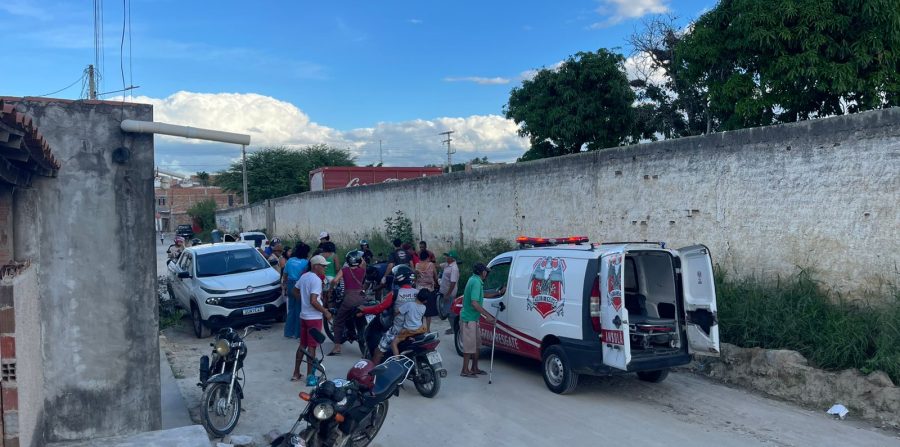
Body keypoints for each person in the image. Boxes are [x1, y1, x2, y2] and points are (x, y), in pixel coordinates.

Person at [358, 265, 418, 365]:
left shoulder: (395, 293)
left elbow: (380, 308)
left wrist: (364, 310)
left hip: (398, 329)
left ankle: (373, 377)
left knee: (378, 352)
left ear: (399, 278)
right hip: (417, 328)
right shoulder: (418, 292)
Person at [292, 255, 333, 385]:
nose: (325, 268)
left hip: (303, 316)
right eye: (323, 265)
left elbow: (294, 291)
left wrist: (302, 301)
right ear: (315, 266)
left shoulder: (304, 277)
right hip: (313, 318)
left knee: (302, 345)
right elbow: (314, 301)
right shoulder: (315, 280)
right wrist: (325, 311)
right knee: (312, 347)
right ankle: (310, 377)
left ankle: (296, 373)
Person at [460, 263, 504, 378]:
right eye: (485, 271)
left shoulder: (475, 280)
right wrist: (487, 316)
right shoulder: (475, 282)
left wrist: (498, 293)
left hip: (473, 318)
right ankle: (465, 369)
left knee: (477, 344)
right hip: (469, 319)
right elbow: (474, 303)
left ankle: (474, 368)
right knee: (469, 346)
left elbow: (481, 295)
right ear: (482, 272)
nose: (486, 273)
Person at [328, 250, 367, 356]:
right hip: (362, 298)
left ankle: (337, 347)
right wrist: (360, 258)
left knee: (338, 321)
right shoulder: (362, 270)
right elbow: (363, 262)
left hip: (349, 298)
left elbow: (335, 281)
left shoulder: (344, 270)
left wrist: (331, 289)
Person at [283, 243, 310, 338]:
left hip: (290, 284)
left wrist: (285, 285)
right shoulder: (306, 262)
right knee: (299, 310)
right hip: (299, 286)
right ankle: (298, 333)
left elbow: (285, 275)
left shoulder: (290, 260)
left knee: (291, 309)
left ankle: (288, 332)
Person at [390, 291, 427, 357]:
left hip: (408, 330)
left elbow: (396, 312)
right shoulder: (424, 307)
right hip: (419, 330)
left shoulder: (409, 304)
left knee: (393, 343)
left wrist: (392, 316)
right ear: (425, 301)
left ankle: (397, 361)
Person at [415, 249, 439, 331]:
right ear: (427, 257)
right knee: (428, 311)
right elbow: (435, 276)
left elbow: (415, 277)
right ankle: (428, 329)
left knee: (419, 311)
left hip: (419, 290)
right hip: (429, 290)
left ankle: (420, 328)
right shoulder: (431, 265)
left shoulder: (417, 265)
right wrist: (436, 282)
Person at [439, 250, 460, 334]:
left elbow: (453, 282)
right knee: (448, 310)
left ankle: (455, 329)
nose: (446, 257)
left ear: (452, 258)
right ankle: (453, 328)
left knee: (450, 312)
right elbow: (438, 266)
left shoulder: (454, 268)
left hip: (450, 293)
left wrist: (448, 294)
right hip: (445, 292)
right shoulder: (447, 264)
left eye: (447, 256)